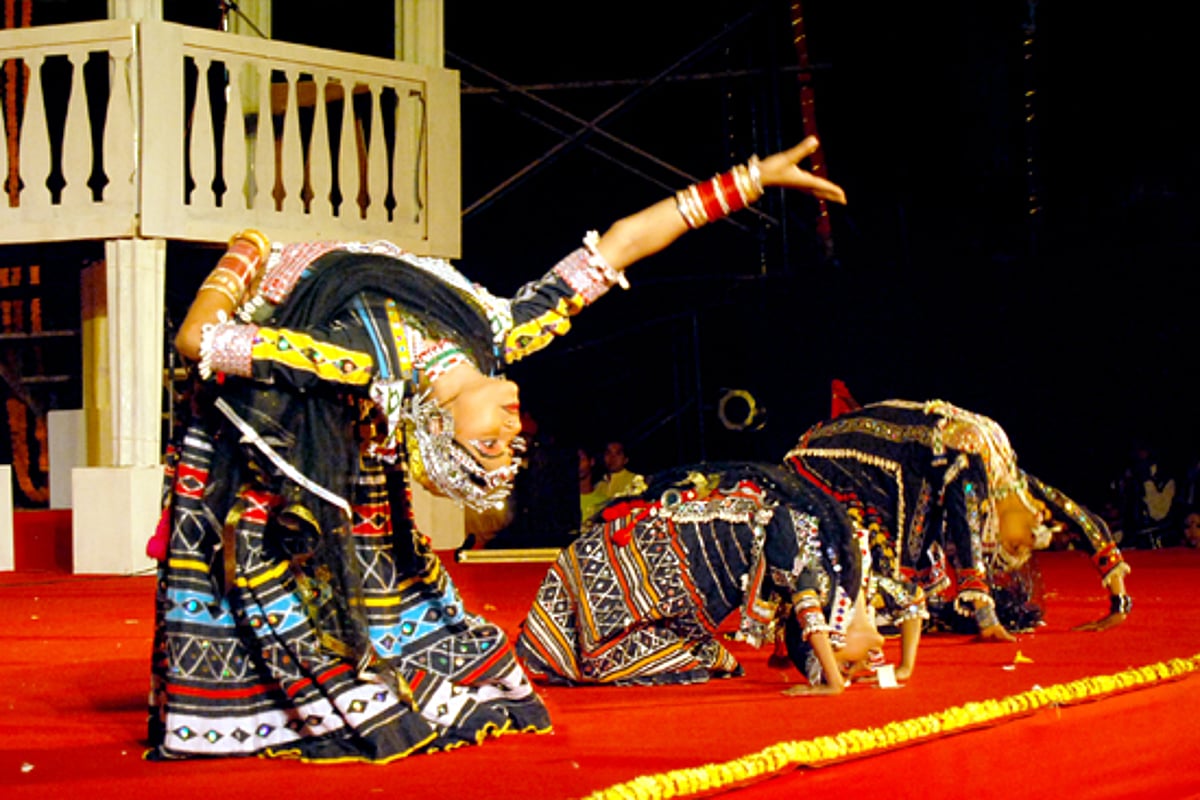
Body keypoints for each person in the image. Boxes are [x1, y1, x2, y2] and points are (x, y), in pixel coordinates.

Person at [147, 137, 847, 761]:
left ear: (438, 425)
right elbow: (620, 247)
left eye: (490, 441)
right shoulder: (505, 329)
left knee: (315, 549)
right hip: (321, 341)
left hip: (280, 318)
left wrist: (243, 258)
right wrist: (750, 180)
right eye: (506, 443)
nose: (514, 427)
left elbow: (194, 340)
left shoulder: (352, 360)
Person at [516, 462, 920, 694]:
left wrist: (903, 668)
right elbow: (807, 606)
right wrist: (832, 684)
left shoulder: (853, 578)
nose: (856, 667)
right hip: (638, 552)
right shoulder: (837, 566)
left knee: (716, 659)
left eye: (844, 667)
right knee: (608, 654)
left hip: (679, 570)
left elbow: (913, 601)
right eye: (845, 665)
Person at [784, 398, 1132, 643]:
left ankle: (877, 605)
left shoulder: (1003, 478)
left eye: (1018, 544)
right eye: (1021, 542)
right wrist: (985, 616)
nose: (1031, 531)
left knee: (917, 534)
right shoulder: (984, 462)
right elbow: (965, 527)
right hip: (846, 451)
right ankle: (841, 610)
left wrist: (1118, 601)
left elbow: (1068, 507)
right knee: (884, 537)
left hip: (904, 463)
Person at [578, 446, 608, 527]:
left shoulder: (603, 502)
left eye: (582, 459)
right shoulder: (562, 500)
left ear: (591, 461)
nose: (578, 464)